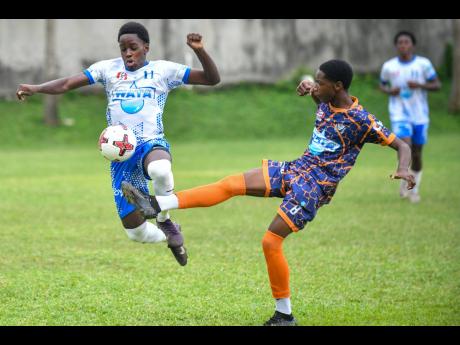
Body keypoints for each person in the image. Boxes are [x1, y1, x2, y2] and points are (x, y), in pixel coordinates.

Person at [121, 59, 416, 326]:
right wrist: (309, 85)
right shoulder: (323, 97)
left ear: (338, 86)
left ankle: (284, 315)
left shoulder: (362, 120)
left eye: (321, 81)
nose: (317, 85)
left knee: (270, 241)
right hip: (296, 168)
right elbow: (313, 90)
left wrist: (404, 170)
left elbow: (401, 145)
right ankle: (156, 202)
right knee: (231, 184)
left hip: (315, 187)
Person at [16, 21, 220, 266]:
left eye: (133, 47)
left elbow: (211, 79)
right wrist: (36, 88)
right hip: (121, 154)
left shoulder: (163, 71)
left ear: (146, 47)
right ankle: (167, 233)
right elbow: (68, 84)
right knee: (136, 233)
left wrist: (199, 50)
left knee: (160, 170)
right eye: (122, 48)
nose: (127, 53)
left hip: (149, 143)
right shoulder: (107, 69)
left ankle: (164, 217)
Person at [379, 30, 441, 203]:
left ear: (412, 45)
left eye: (406, 42)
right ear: (396, 46)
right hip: (399, 113)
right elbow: (382, 85)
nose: (403, 45)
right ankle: (405, 177)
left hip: (420, 115)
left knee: (418, 153)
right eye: (400, 42)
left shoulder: (423, 64)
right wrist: (390, 90)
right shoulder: (389, 66)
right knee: (406, 144)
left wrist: (420, 85)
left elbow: (437, 84)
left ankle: (414, 187)